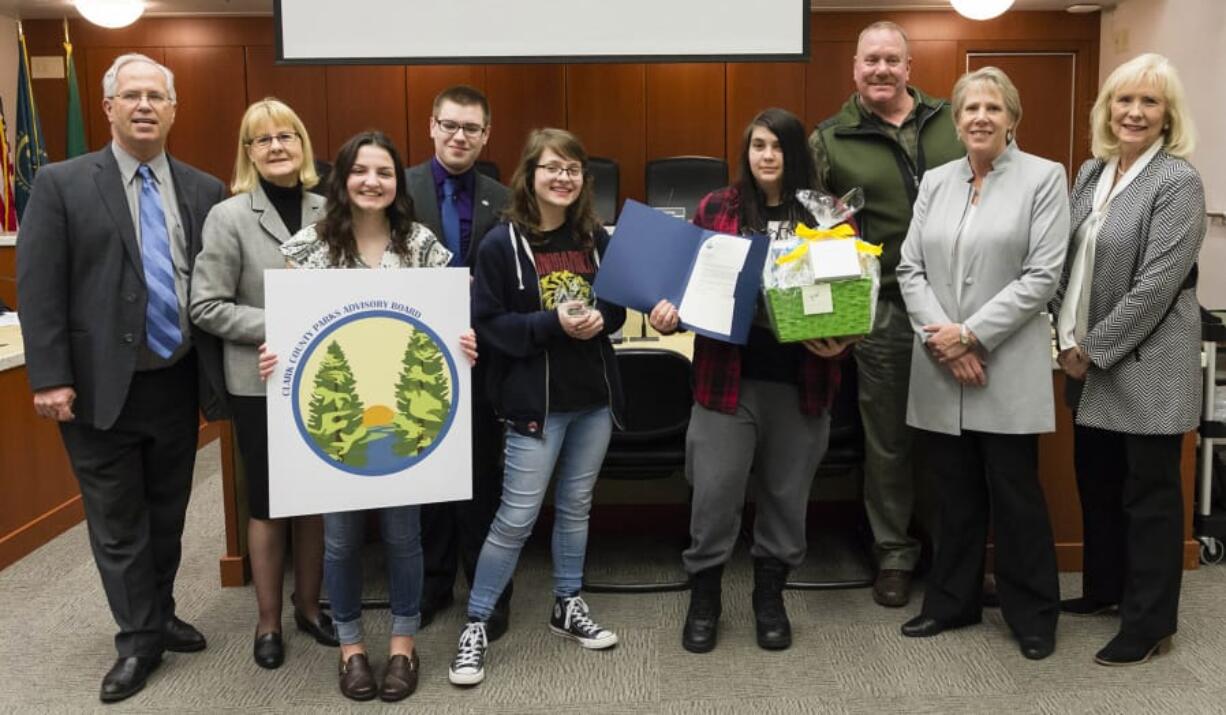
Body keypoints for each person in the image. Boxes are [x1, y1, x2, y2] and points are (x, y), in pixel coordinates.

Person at [16, 53, 227, 703]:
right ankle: (138, 640)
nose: (143, 105)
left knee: (168, 514)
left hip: (175, 379)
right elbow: (40, 288)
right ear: (107, 108)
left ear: (173, 108)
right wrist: (49, 376)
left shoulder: (203, 188)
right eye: (130, 95)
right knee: (116, 520)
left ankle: (157, 612)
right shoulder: (61, 184)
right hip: (97, 385)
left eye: (155, 96)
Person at [258, 130, 477, 701]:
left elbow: (446, 321)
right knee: (340, 540)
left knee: (405, 537)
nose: (372, 182)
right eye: (361, 171)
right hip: (333, 419)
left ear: (397, 183)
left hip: (404, 418)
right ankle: (352, 647)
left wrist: (463, 344)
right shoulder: (308, 246)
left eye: (384, 172)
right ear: (343, 179)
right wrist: (273, 354)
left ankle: (403, 644)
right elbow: (292, 328)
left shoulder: (421, 245)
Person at [649, 108, 850, 654]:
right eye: (758, 145)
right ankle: (705, 598)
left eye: (778, 146)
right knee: (714, 495)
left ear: (796, 154)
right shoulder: (718, 206)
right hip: (724, 382)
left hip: (801, 381)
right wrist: (665, 310)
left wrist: (843, 339)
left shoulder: (828, 214)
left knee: (786, 498)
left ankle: (770, 598)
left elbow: (853, 293)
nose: (767, 156)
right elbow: (683, 281)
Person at [895, 67, 1069, 660]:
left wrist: (971, 336)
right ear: (957, 119)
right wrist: (945, 340)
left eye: (992, 108)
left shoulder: (1045, 178)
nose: (979, 118)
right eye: (970, 108)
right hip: (941, 365)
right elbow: (908, 268)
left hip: (1004, 366)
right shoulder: (936, 181)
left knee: (1015, 496)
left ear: (1012, 119)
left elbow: (1043, 276)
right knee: (953, 494)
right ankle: (951, 603)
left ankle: (1033, 615)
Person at [448, 128, 625, 687]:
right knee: (517, 519)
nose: (564, 178)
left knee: (576, 507)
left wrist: (605, 319)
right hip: (534, 405)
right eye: (553, 167)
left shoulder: (595, 237)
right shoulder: (501, 243)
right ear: (530, 174)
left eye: (573, 169)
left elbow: (619, 305)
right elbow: (488, 325)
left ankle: (566, 603)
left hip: (592, 399)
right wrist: (552, 323)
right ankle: (476, 621)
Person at [1051, 53, 1204, 666]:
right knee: (1099, 482)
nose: (1134, 112)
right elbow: (1066, 262)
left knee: (1150, 498)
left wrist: (1095, 348)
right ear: (1106, 110)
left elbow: (1158, 283)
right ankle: (1105, 589)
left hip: (1143, 363)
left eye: (1149, 102)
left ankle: (1149, 623)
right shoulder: (1090, 172)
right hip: (1081, 359)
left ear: (1168, 116)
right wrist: (1058, 338)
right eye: (1124, 100)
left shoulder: (1178, 181)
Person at [809, 20, 965, 607]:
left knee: (958, 437)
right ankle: (895, 554)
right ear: (854, 68)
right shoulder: (830, 139)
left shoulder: (954, 121)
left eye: (891, 60)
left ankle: (959, 552)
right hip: (885, 312)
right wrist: (833, 320)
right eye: (870, 60)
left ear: (909, 69)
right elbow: (815, 235)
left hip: (961, 309)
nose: (880, 69)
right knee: (890, 442)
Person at [189, 98, 338, 670]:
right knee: (271, 503)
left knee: (316, 503)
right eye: (263, 139)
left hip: (326, 380)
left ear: (303, 144)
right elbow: (206, 306)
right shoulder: (228, 217)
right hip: (262, 382)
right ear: (248, 152)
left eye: (287, 136)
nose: (277, 147)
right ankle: (268, 622)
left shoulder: (332, 210)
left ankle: (309, 608)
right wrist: (282, 321)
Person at [405, 85, 513, 636]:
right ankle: (433, 584)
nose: (459, 136)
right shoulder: (399, 189)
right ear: (431, 126)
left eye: (471, 128)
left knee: (481, 481)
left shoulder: (504, 197)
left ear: (486, 134)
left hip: (483, 360)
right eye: (450, 125)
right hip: (413, 361)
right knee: (426, 480)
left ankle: (488, 590)